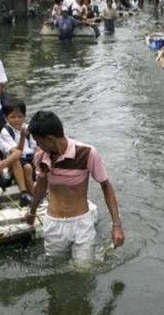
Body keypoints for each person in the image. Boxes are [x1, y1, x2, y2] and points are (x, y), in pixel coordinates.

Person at [24, 111, 124, 262]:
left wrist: (117, 225)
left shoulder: (87, 153)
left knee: (83, 270)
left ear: (50, 139)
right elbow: (41, 186)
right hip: (54, 224)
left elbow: (106, 185)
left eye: (39, 142)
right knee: (56, 267)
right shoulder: (40, 156)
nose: (38, 146)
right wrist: (31, 212)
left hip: (81, 223)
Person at [0, 96, 37, 194]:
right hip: (16, 159)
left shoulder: (27, 127)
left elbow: (34, 145)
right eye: (13, 117)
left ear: (24, 116)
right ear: (6, 118)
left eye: (20, 117)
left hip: (29, 156)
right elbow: (16, 152)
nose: (17, 120)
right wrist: (22, 137)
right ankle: (33, 194)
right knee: (27, 167)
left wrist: (36, 157)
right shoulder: (5, 131)